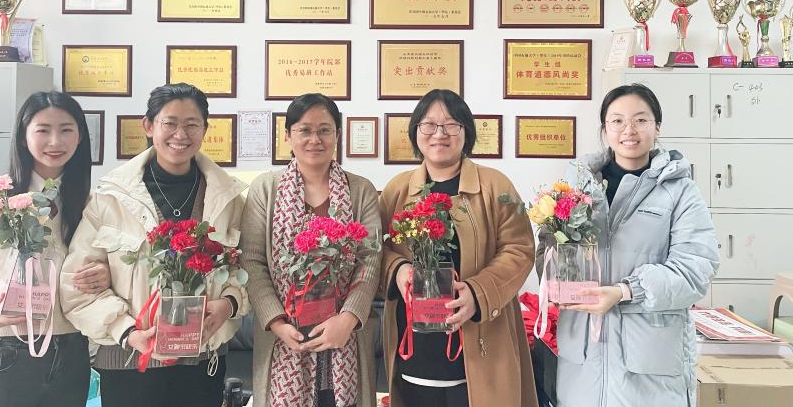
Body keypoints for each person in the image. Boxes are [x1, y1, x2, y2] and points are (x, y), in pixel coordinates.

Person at [61, 83, 249, 407]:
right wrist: (128, 331)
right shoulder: (111, 197)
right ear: (148, 126)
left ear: (205, 129)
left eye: (192, 124)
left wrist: (229, 304)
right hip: (128, 361)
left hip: (202, 363)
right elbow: (76, 286)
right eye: (170, 123)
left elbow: (246, 269)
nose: (181, 134)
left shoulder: (228, 198)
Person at [0, 91, 110, 407]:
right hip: (5, 349)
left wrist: (105, 274)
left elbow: (112, 271)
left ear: (81, 136)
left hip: (72, 349)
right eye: (43, 130)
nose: (55, 141)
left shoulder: (92, 203)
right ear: (23, 137)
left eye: (66, 129)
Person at [547, 83, 719, 407]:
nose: (629, 130)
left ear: (657, 127)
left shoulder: (680, 191)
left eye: (640, 120)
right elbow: (549, 253)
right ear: (605, 129)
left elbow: (696, 270)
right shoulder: (574, 187)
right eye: (617, 121)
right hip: (583, 363)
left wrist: (625, 291)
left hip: (650, 367)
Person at [379, 89, 537, 407]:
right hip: (415, 346)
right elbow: (377, 250)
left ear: (466, 132)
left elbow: (519, 249)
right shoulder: (398, 190)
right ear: (415, 131)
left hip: (482, 340)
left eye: (451, 125)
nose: (439, 134)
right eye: (429, 125)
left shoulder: (495, 186)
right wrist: (398, 269)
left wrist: (477, 293)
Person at [241, 93, 381, 407]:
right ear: (287, 135)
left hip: (346, 337)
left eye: (324, 130)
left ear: (337, 135)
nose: (314, 139)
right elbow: (252, 260)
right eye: (304, 130)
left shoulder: (361, 190)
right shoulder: (265, 189)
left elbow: (370, 260)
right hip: (284, 339)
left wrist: (347, 319)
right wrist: (276, 322)